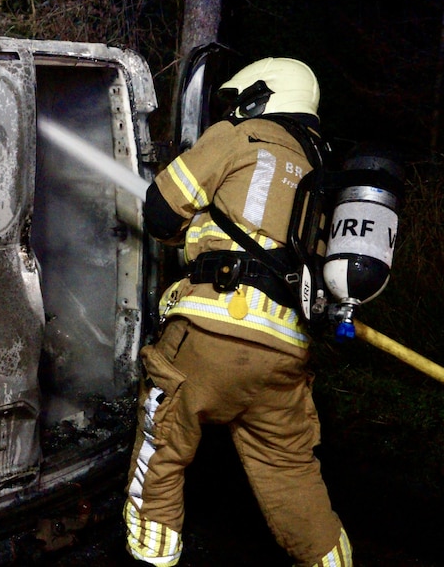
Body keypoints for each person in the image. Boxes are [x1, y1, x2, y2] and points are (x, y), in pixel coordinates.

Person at [124, 57, 351, 566]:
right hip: (285, 355)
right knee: (292, 474)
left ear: (262, 96)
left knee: (161, 451)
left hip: (211, 335)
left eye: (241, 98)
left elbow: (160, 211)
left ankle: (151, 555)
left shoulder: (239, 135)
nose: (235, 107)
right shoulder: (322, 174)